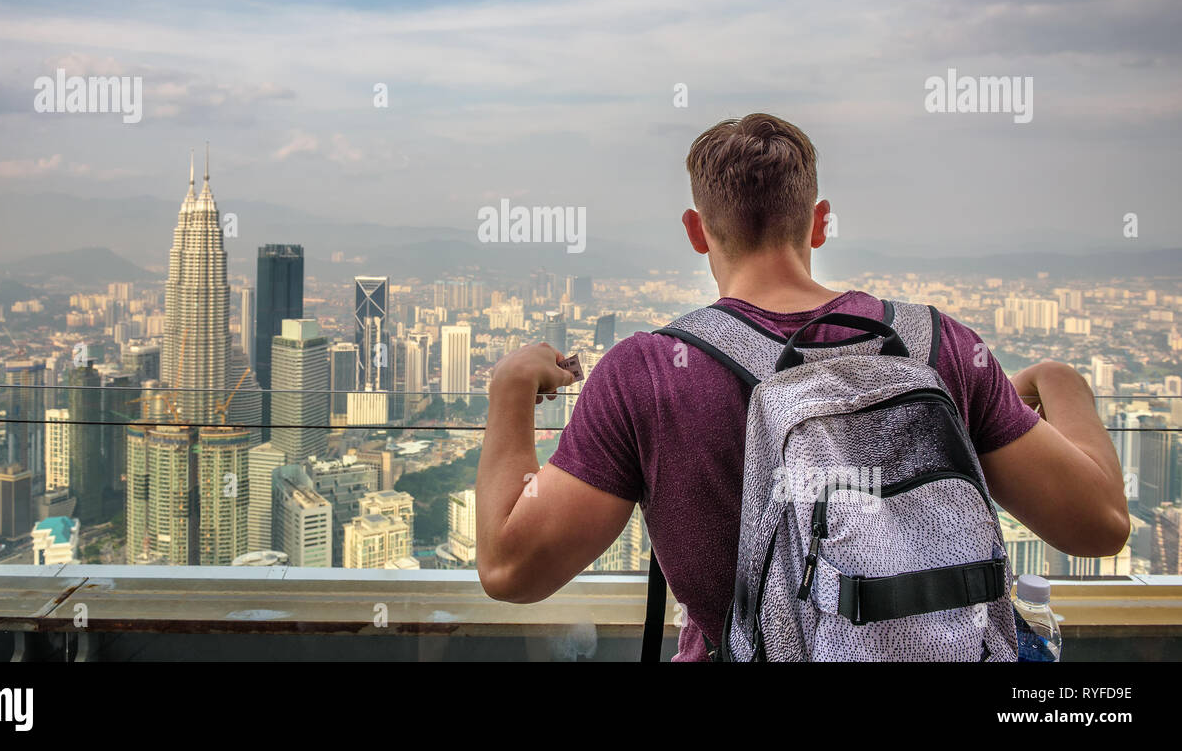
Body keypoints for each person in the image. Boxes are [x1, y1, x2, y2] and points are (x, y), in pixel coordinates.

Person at [475, 113, 1130, 660]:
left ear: (696, 230)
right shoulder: (940, 349)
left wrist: (510, 388)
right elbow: (1100, 524)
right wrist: (1061, 382)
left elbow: (510, 568)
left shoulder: (645, 374)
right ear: (819, 222)